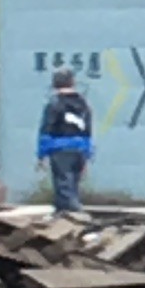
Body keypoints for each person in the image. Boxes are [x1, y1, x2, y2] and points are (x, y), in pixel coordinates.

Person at [34, 69, 95, 217]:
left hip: (60, 148)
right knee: (73, 182)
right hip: (80, 148)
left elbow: (47, 129)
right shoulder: (83, 104)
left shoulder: (54, 104)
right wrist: (87, 152)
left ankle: (72, 212)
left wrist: (42, 153)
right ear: (72, 82)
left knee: (63, 183)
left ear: (55, 84)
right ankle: (62, 211)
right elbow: (88, 130)